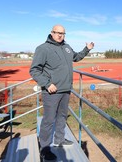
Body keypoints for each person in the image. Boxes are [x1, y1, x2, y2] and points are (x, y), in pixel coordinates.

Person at [29, 24, 94, 161]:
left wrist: (86, 49)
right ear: (51, 33)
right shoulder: (43, 49)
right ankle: (45, 149)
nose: (60, 35)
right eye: (57, 32)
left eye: (63, 33)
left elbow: (76, 57)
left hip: (66, 89)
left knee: (62, 116)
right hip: (52, 91)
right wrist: (47, 84)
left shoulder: (66, 47)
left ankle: (59, 139)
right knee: (48, 120)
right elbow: (34, 70)